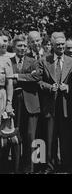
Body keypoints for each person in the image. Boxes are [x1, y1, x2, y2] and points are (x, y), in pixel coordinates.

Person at [37, 32, 72, 173]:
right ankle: (50, 166)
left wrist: (68, 87)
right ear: (53, 46)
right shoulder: (45, 60)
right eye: (58, 44)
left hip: (66, 105)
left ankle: (66, 165)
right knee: (50, 137)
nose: (61, 47)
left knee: (66, 137)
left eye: (63, 44)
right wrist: (50, 87)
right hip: (50, 105)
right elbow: (38, 81)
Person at [9, 35, 40, 173]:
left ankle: (29, 169)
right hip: (14, 104)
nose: (22, 48)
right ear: (14, 47)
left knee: (30, 137)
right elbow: (6, 79)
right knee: (15, 136)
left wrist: (17, 77)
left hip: (31, 104)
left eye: (24, 46)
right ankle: (15, 168)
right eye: (19, 46)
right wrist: (27, 77)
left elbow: (37, 77)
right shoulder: (8, 62)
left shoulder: (33, 61)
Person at [0, 36, 16, 172]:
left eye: (4, 41)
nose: (1, 44)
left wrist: (9, 103)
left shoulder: (7, 61)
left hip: (2, 97)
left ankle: (4, 165)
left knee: (5, 134)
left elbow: (9, 83)